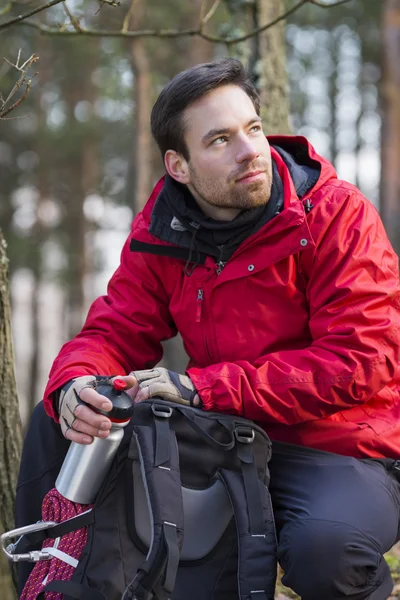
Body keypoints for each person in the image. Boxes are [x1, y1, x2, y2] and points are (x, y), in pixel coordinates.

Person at [33, 59, 400, 599]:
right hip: (223, 441)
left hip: (341, 447)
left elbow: (363, 362)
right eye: (220, 140)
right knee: (64, 425)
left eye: (252, 128)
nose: (250, 150)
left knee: (328, 555)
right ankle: (47, 582)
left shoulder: (336, 215)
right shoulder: (162, 231)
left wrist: (201, 388)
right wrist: (75, 385)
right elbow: (114, 331)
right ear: (178, 166)